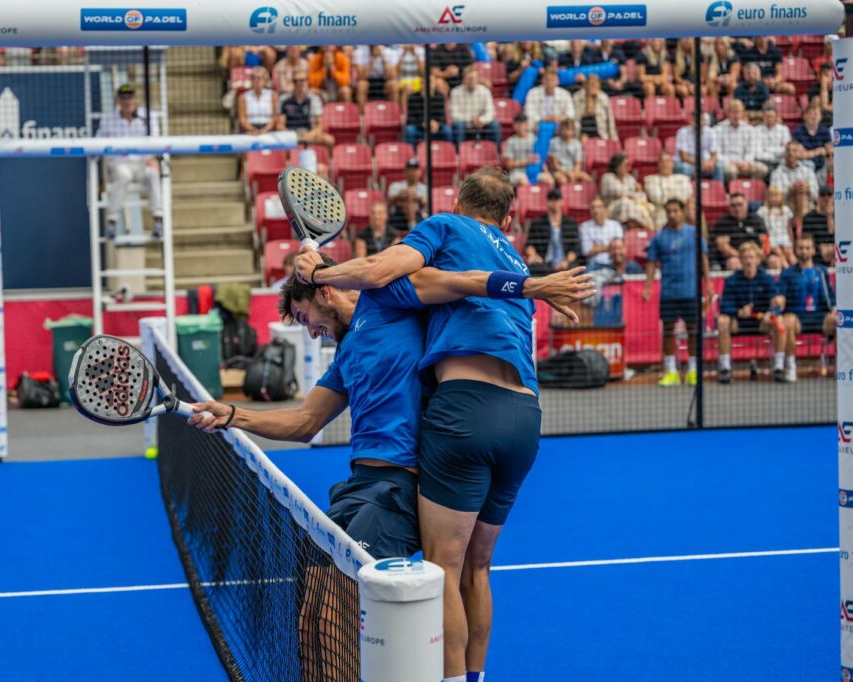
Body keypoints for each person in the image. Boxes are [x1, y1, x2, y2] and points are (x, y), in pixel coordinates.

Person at [188, 254, 590, 681]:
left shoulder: (394, 303)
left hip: (399, 488)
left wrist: (535, 287)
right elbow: (305, 422)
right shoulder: (346, 353)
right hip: (357, 488)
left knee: (337, 613)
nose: (310, 331)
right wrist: (232, 415)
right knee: (310, 610)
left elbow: (463, 281)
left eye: (306, 317)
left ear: (325, 290)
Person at [292, 168, 596, 682]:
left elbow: (379, 272)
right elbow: (471, 286)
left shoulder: (445, 228)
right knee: (479, 569)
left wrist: (316, 273)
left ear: (458, 202)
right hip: (525, 420)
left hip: (465, 409)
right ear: (509, 217)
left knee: (445, 569)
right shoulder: (514, 258)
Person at [642, 199, 712, 387]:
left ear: (682, 212)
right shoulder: (659, 238)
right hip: (669, 293)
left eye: (675, 210)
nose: (672, 214)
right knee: (668, 331)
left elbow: (703, 259)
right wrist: (648, 287)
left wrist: (709, 284)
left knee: (693, 330)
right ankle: (671, 371)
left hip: (691, 292)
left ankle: (692, 370)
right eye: (669, 211)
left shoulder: (694, 234)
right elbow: (651, 263)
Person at [95, 84, 164, 240]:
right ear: (118, 100)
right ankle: (112, 221)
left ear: (135, 98)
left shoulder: (148, 116)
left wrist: (152, 157)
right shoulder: (108, 119)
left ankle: (158, 219)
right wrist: (96, 165)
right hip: (121, 164)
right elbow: (97, 143)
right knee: (122, 175)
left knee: (153, 173)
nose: (127, 101)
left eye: (130, 97)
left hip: (143, 163)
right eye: (123, 98)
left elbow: (157, 141)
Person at [716, 242, 784, 383]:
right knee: (722, 321)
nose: (748, 261)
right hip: (738, 322)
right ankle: (725, 369)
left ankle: (779, 367)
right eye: (745, 258)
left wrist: (770, 313)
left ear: (758, 260)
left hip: (761, 322)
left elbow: (776, 302)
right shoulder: (731, 280)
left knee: (779, 321)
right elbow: (725, 307)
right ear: (740, 260)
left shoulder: (767, 278)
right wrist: (739, 311)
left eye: (752, 257)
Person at [774, 235, 837, 382]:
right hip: (797, 317)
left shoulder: (821, 271)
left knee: (840, 321)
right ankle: (791, 367)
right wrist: (779, 302)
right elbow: (781, 295)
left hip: (820, 316)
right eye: (801, 248)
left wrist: (834, 309)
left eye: (807, 248)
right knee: (787, 321)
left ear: (813, 251)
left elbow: (830, 296)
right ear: (795, 250)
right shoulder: (787, 273)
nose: (804, 251)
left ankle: (840, 366)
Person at [524, 187, 581, 274]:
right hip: (544, 264)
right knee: (533, 267)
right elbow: (529, 245)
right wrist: (534, 256)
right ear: (547, 202)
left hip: (566, 264)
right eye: (551, 199)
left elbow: (576, 247)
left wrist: (566, 261)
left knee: (578, 268)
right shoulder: (538, 223)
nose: (554, 202)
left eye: (557, 199)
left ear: (562, 201)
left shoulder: (571, 223)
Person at [710, 192, 767, 271]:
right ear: (729, 207)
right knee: (734, 263)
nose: (737, 208)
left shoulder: (756, 219)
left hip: (756, 257)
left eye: (740, 205)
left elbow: (766, 241)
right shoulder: (723, 221)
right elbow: (722, 246)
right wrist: (743, 257)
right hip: (735, 257)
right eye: (733, 206)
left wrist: (758, 255)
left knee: (775, 261)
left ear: (746, 204)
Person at [715, 99, 768, 182]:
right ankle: (732, 192)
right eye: (733, 112)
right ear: (728, 113)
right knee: (731, 171)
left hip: (745, 163)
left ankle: (751, 189)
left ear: (743, 113)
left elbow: (751, 150)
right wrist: (730, 162)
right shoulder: (718, 129)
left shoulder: (749, 129)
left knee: (762, 169)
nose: (736, 116)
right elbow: (717, 153)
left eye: (738, 112)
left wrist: (746, 162)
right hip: (728, 163)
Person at [277, 74, 336, 147]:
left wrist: (310, 134)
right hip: (290, 133)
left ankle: (327, 158)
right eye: (296, 81)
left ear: (307, 82)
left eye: (302, 80)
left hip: (308, 131)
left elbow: (320, 125)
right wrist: (291, 135)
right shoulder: (284, 100)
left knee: (329, 140)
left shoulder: (314, 99)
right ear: (293, 83)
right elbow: (280, 125)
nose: (299, 83)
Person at [450, 65, 501, 146]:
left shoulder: (485, 91)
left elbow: (490, 112)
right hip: (465, 124)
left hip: (482, 124)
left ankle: (496, 152)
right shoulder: (455, 92)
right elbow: (454, 115)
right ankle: (458, 152)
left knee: (495, 125)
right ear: (463, 79)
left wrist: (481, 120)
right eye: (469, 78)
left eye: (474, 78)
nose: (471, 81)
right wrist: (470, 120)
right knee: (458, 125)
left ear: (478, 79)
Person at [600, 153, 653, 230]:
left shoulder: (630, 178)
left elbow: (642, 196)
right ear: (617, 166)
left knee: (642, 207)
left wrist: (632, 195)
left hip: (631, 207)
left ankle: (634, 229)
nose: (628, 167)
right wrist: (632, 195)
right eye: (626, 165)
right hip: (611, 210)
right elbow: (619, 192)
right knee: (625, 202)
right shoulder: (607, 177)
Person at [644, 151, 693, 229]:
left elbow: (685, 196)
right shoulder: (650, 180)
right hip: (660, 214)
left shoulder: (683, 179)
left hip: (681, 214)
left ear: (673, 163)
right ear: (658, 165)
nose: (665, 164)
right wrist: (675, 194)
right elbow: (657, 198)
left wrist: (666, 193)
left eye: (668, 161)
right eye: (662, 161)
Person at [501, 112, 552, 187]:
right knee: (524, 182)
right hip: (518, 172)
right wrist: (527, 161)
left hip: (535, 171)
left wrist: (547, 172)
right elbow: (508, 164)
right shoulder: (511, 141)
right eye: (518, 124)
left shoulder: (534, 139)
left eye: (523, 124)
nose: (521, 127)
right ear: (514, 126)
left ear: (527, 124)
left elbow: (541, 159)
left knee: (550, 181)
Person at [770, 141, 819, 216]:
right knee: (798, 192)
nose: (791, 153)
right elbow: (775, 198)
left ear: (799, 153)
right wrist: (791, 191)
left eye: (794, 151)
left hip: (808, 210)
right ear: (784, 153)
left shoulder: (808, 171)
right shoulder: (776, 173)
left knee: (801, 192)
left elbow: (816, 195)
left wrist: (808, 189)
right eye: (788, 150)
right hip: (786, 211)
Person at [674, 112, 724, 181]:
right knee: (684, 168)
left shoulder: (711, 132)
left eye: (701, 120)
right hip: (690, 164)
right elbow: (684, 157)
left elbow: (714, 154)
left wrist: (711, 163)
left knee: (719, 167)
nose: (699, 123)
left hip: (706, 165)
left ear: (705, 121)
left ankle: (718, 190)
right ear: (691, 121)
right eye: (696, 120)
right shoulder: (683, 132)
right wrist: (700, 163)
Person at [524, 67, 575, 132]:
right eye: (547, 79)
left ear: (558, 81)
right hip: (539, 124)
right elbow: (528, 113)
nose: (550, 82)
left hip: (559, 124)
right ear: (542, 80)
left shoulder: (565, 94)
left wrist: (560, 119)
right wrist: (545, 119)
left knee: (573, 125)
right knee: (528, 123)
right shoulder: (532, 93)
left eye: (553, 80)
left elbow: (571, 114)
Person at [405, 74, 452, 144]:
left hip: (435, 128)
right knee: (409, 130)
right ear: (421, 84)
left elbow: (442, 116)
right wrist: (422, 124)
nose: (428, 85)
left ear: (435, 85)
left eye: (430, 82)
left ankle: (447, 151)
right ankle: (412, 153)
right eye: (425, 82)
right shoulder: (412, 97)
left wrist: (437, 124)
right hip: (419, 127)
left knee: (447, 130)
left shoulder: (440, 97)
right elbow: (410, 118)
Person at [579, 196, 624, 267]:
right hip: (594, 264)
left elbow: (619, 248)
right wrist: (610, 247)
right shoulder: (584, 227)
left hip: (614, 262)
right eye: (593, 207)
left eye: (599, 207)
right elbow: (587, 251)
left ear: (606, 209)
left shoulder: (615, 225)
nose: (596, 210)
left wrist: (595, 247)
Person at [756, 186, 795, 265]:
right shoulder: (762, 210)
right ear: (767, 197)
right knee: (779, 252)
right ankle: (787, 268)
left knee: (789, 253)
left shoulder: (786, 210)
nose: (774, 198)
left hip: (784, 237)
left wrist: (792, 242)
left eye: (776, 195)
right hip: (770, 238)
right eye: (772, 196)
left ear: (781, 197)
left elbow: (789, 228)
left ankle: (800, 270)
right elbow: (760, 230)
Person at [572, 73, 617, 142]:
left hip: (600, 129)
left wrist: (614, 139)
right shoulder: (577, 96)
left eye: (595, 83)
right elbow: (574, 117)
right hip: (583, 128)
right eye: (591, 83)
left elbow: (610, 120)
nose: (593, 85)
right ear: (586, 85)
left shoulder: (603, 97)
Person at [797, 184, 834, 265]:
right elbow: (806, 239)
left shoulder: (839, 217)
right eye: (823, 195)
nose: (826, 198)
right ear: (818, 198)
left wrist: (829, 217)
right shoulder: (809, 218)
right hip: (816, 257)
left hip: (836, 255)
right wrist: (820, 247)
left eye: (829, 195)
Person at [547, 119, 591, 185]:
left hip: (573, 171)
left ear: (573, 131)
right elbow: (555, 165)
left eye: (569, 129)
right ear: (560, 130)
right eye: (564, 129)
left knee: (588, 179)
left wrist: (574, 174)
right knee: (562, 180)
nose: (566, 131)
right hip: (559, 172)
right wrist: (566, 173)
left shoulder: (577, 143)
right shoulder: (554, 142)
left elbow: (578, 164)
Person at [237, 67, 279, 135]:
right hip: (250, 128)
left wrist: (265, 130)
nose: (257, 80)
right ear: (250, 80)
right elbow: (242, 119)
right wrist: (252, 129)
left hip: (268, 128)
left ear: (265, 80)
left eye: (259, 78)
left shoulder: (273, 95)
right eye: (254, 78)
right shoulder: (243, 97)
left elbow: (274, 117)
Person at [792, 104, 831, 174]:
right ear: (805, 116)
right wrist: (818, 151)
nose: (814, 116)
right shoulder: (798, 131)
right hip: (805, 165)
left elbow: (829, 152)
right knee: (809, 165)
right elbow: (800, 155)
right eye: (811, 113)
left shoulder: (825, 130)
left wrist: (809, 153)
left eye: (816, 114)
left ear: (820, 117)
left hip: (823, 165)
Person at [753, 103, 791, 173]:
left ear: (776, 117)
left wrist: (766, 150)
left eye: (771, 116)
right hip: (763, 162)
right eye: (767, 117)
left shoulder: (784, 130)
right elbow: (757, 154)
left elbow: (787, 150)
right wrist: (777, 151)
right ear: (763, 117)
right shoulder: (756, 130)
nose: (769, 119)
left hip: (781, 161)